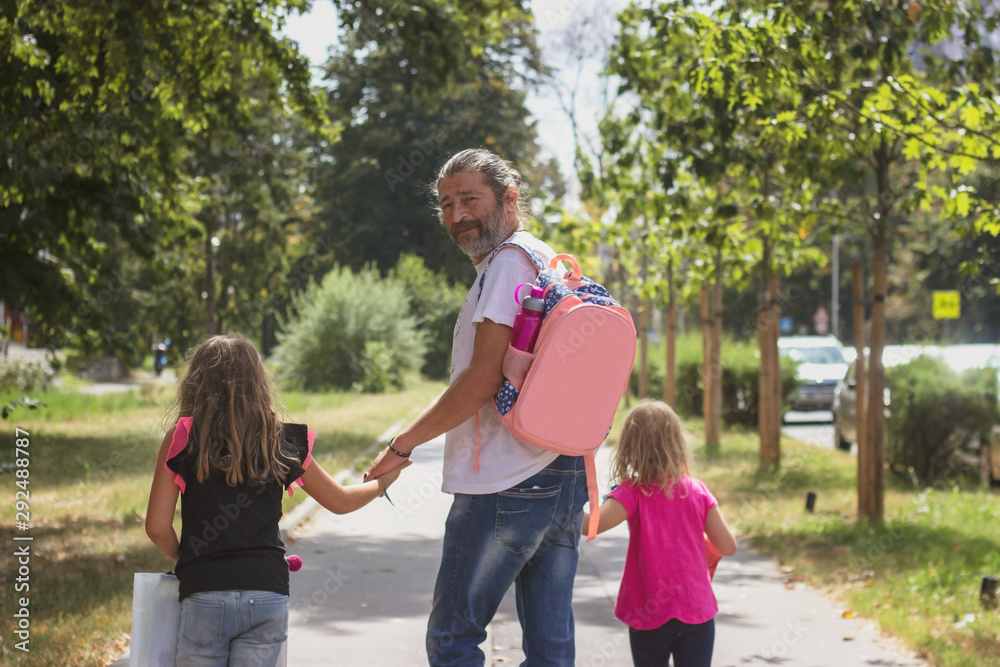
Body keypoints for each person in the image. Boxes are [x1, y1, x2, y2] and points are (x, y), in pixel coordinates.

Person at [363, 148, 589, 666]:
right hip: (562, 470)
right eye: (446, 204)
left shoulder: (509, 262)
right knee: (551, 645)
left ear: (509, 198)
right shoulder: (543, 257)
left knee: (453, 637)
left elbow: (482, 380)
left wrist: (403, 445)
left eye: (469, 199)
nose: (457, 215)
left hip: (506, 482)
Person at [145, 333, 408, 665]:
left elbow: (156, 527)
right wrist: (382, 482)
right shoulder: (280, 438)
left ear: (196, 382)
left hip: (204, 592)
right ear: (258, 381)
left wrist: (188, 560)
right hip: (266, 592)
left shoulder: (182, 436)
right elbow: (340, 501)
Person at [584, 400, 737, 667]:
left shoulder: (632, 493)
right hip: (696, 612)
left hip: (648, 615)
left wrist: (557, 502)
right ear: (677, 445)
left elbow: (591, 525)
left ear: (629, 448)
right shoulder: (697, 490)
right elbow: (727, 546)